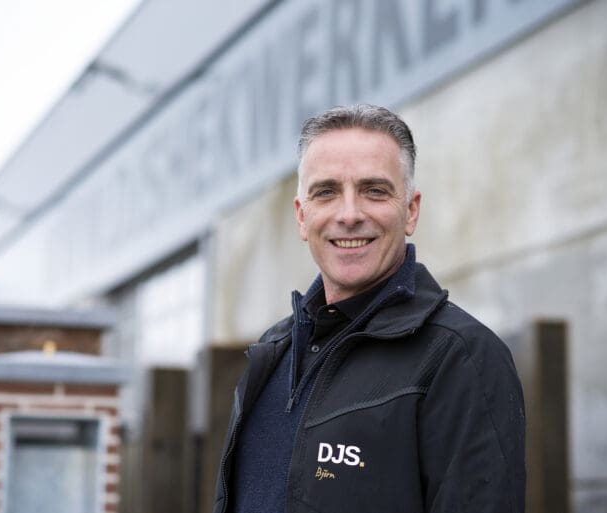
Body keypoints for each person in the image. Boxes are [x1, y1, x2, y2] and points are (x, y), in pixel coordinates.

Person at [213, 104, 525, 513]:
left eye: (374, 190)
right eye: (326, 192)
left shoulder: (461, 358)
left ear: (410, 210)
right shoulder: (273, 352)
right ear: (302, 216)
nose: (349, 215)